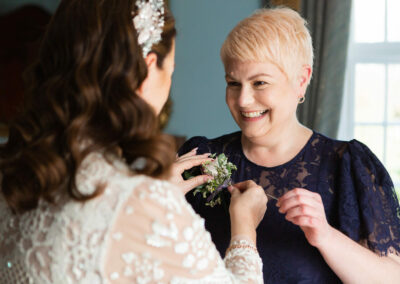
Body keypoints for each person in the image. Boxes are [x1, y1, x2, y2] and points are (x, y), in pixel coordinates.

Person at [0, 0, 268, 283]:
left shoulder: (15, 174)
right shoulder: (144, 203)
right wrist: (245, 230)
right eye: (170, 72)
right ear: (148, 70)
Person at [178, 7, 400, 284]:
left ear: (302, 80)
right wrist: (158, 195)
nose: (243, 100)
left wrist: (325, 235)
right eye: (233, 83)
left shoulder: (348, 166)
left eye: (259, 82)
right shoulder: (200, 160)